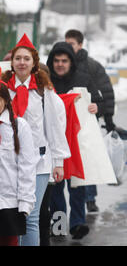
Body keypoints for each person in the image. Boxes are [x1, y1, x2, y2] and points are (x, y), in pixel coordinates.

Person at [1, 34, 71, 246]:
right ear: (12, 62)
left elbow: (55, 128)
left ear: (34, 63)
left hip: (38, 162)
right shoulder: (3, 88)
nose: (21, 62)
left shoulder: (45, 91)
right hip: (9, 161)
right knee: (11, 213)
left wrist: (58, 162)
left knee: (30, 216)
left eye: (26, 59)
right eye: (18, 58)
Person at [45, 41, 104, 240]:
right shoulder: (46, 80)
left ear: (71, 62)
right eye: (57, 60)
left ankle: (78, 223)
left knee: (77, 185)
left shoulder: (84, 79)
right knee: (56, 187)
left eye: (64, 61)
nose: (60, 64)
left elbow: (98, 101)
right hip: (54, 141)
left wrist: (96, 107)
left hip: (78, 142)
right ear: (51, 61)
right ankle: (59, 224)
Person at [0, 82, 36, 246]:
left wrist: (25, 202)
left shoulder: (19, 126)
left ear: (6, 100)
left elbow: (27, 167)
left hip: (11, 200)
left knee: (10, 242)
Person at [65, 29, 115, 213]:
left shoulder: (92, 66)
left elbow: (106, 93)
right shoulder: (61, 65)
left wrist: (106, 116)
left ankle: (90, 198)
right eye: (66, 43)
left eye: (72, 44)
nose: (69, 47)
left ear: (80, 45)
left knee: (89, 159)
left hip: (88, 121)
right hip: (68, 121)